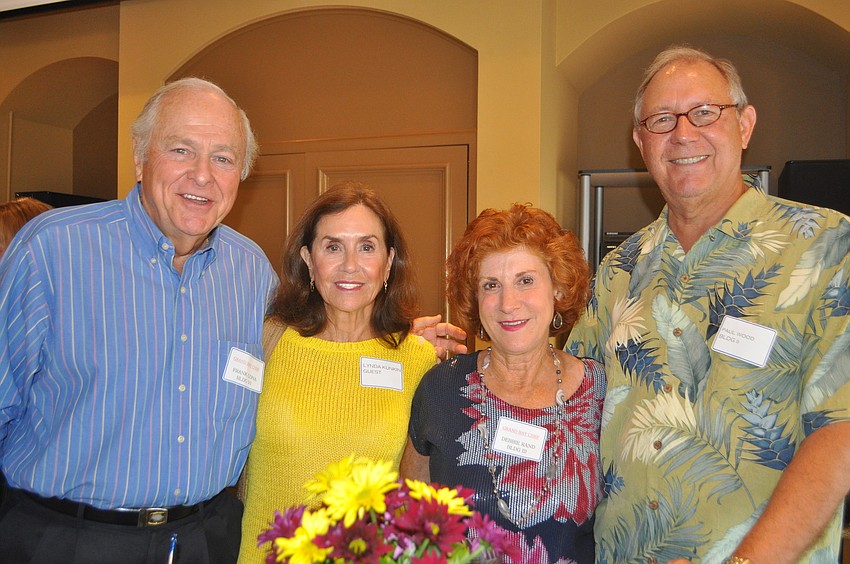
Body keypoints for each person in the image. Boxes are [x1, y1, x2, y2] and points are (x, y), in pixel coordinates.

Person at [567, 45, 850, 563]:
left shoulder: (828, 247)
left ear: (744, 125)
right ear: (640, 142)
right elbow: (566, 401)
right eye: (661, 119)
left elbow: (841, 432)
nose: (682, 133)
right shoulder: (617, 270)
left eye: (704, 112)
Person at [0, 77, 278, 563]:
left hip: (204, 539)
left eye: (223, 157)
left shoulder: (252, 270)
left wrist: (394, 343)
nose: (202, 175)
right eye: (181, 149)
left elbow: (307, 354)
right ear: (140, 156)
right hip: (69, 539)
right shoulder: (53, 248)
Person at [238, 182, 438, 563]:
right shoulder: (267, 342)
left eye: (366, 247)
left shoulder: (418, 360)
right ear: (309, 261)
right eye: (333, 247)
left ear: (389, 262)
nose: (350, 265)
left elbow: (419, 487)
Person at [401, 203, 605, 563]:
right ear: (475, 299)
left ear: (557, 288)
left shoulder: (600, 390)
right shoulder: (441, 388)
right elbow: (409, 522)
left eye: (525, 281)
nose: (508, 303)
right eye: (491, 285)